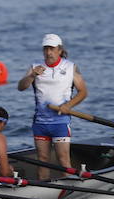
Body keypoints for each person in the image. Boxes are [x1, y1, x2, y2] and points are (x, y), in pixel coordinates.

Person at [17, 33, 88, 175]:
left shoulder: (70, 67)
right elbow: (21, 87)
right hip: (40, 123)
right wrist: (32, 76)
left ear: (59, 50)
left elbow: (83, 92)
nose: (48, 52)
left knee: (64, 161)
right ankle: (43, 191)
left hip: (60, 122)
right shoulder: (35, 67)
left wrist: (68, 105)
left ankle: (70, 189)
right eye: (46, 49)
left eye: (51, 49)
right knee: (42, 160)